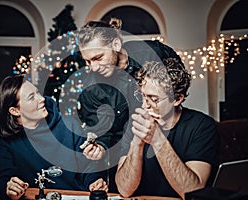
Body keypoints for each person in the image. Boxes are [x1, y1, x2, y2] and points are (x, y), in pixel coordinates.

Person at [75, 18, 182, 192]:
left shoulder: (153, 52)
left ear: (116, 44)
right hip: (127, 160)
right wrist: (100, 146)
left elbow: (179, 84)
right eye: (87, 61)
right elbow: (103, 132)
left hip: (168, 145)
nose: (93, 67)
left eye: (98, 57)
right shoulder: (91, 90)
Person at [0, 75, 107, 200]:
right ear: (15, 111)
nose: (41, 99)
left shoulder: (69, 125)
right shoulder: (0, 138)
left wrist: (94, 181)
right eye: (31, 98)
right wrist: (8, 188)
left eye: (38, 92)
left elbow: (89, 165)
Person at [115, 58, 219, 199]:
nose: (145, 106)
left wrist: (157, 140)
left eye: (154, 99)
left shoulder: (202, 126)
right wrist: (137, 143)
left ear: (177, 99)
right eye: (143, 96)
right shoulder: (136, 123)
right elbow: (124, 190)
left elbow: (193, 192)